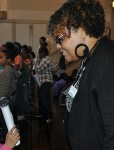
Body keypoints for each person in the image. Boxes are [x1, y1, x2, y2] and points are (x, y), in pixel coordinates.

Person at [48, 0, 114, 150]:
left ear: (82, 32)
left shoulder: (109, 61)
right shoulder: (90, 58)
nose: (58, 46)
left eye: (61, 39)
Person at [34, 47, 53, 123]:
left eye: (39, 53)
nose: (38, 54)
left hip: (46, 82)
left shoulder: (46, 59)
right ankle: (42, 113)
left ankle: (48, 116)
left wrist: (35, 61)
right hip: (41, 81)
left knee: (45, 100)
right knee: (41, 99)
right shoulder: (43, 59)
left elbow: (38, 69)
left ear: (43, 53)